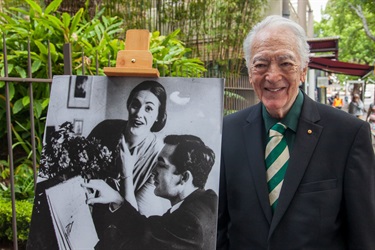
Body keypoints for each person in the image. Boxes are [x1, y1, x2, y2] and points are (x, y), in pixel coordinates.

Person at [217, 15, 375, 249]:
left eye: (285, 63)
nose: (272, 76)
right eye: (261, 64)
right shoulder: (225, 133)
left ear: (302, 70)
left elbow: (364, 235)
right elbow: (219, 228)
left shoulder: (349, 135)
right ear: (250, 72)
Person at [83, 134, 218, 250]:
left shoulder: (190, 221)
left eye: (161, 165)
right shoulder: (209, 199)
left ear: (184, 177)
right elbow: (148, 231)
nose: (153, 171)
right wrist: (118, 200)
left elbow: (142, 242)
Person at [87, 80, 170, 236]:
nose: (139, 114)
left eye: (149, 109)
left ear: (158, 116)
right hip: (84, 213)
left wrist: (127, 171)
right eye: (135, 105)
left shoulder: (160, 156)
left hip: (118, 234)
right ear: (128, 105)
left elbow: (133, 223)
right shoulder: (105, 129)